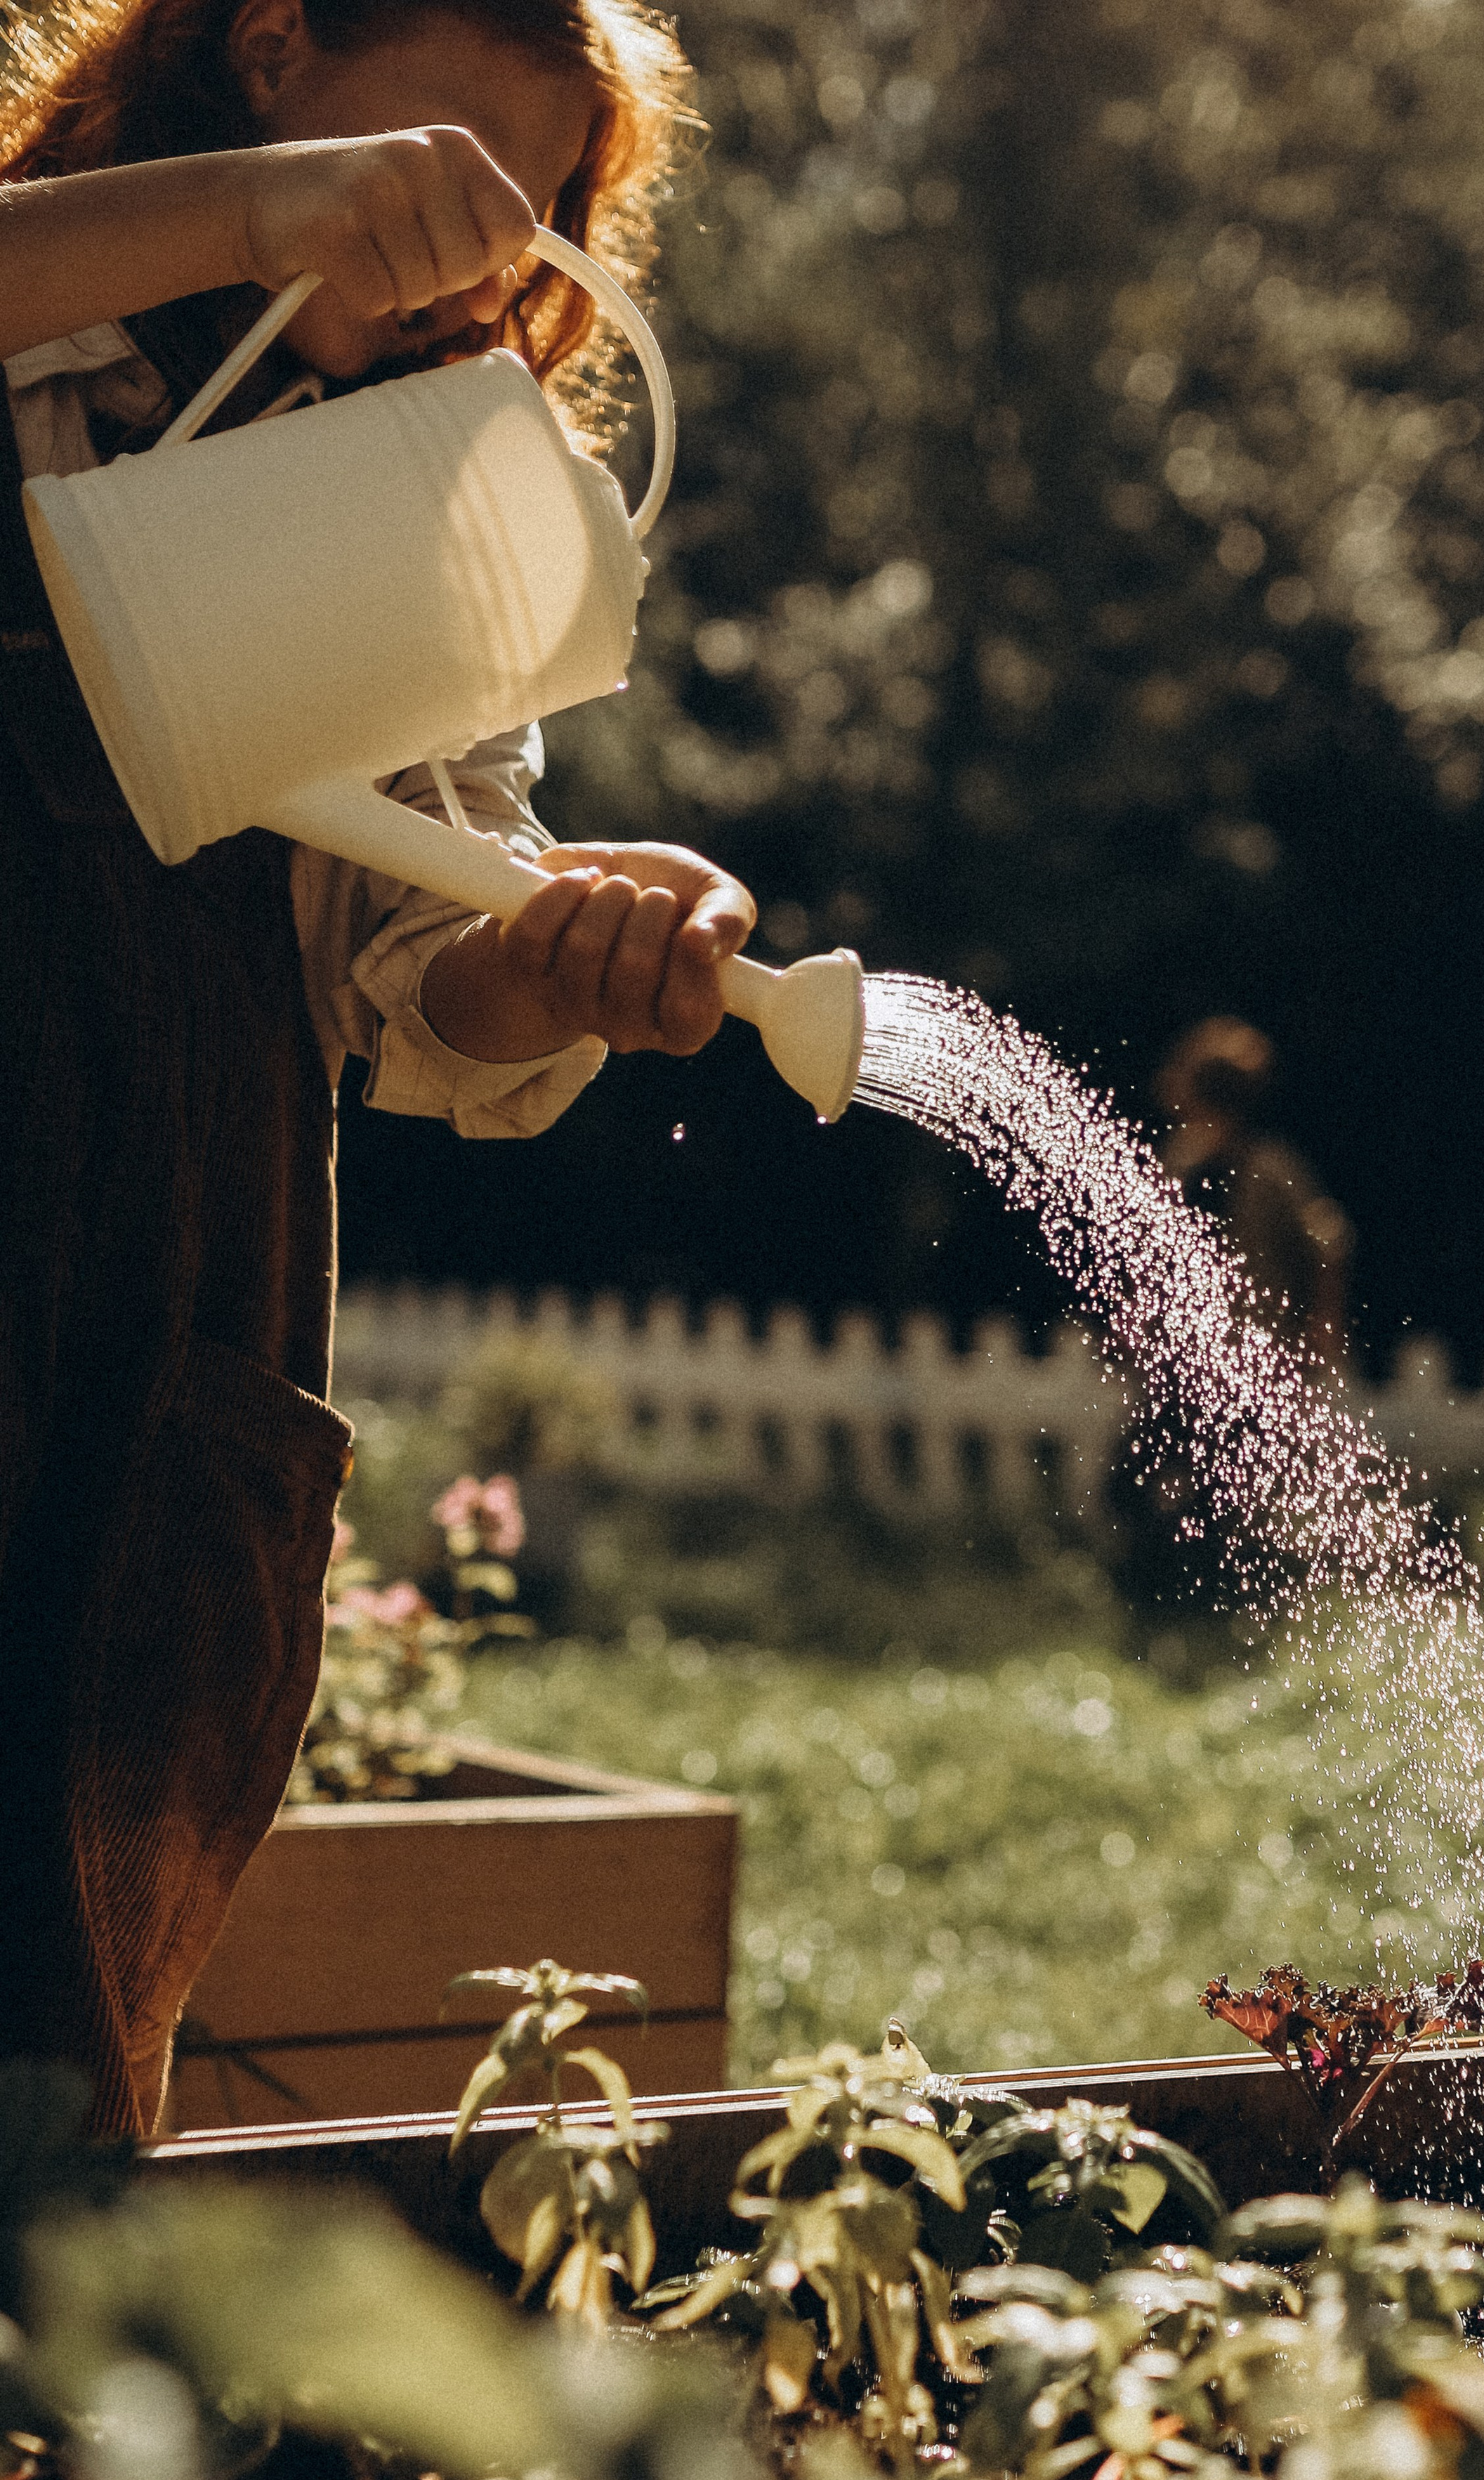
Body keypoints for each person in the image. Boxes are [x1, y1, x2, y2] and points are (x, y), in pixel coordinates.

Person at [0, 0, 757, 2136]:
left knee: (50, 2093)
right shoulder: (35, 349)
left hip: (159, 1393)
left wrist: (567, 961)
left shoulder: (411, 502)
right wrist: (251, 217)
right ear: (263, 52)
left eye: (501, 223)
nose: (443, 260)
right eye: (417, 171)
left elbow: (426, 991)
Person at [1155, 1018, 1353, 1371]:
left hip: (1257, 1352)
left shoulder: (1267, 1170)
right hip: (1197, 1353)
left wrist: (1322, 1327)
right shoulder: (1183, 1165)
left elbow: (1329, 1244)